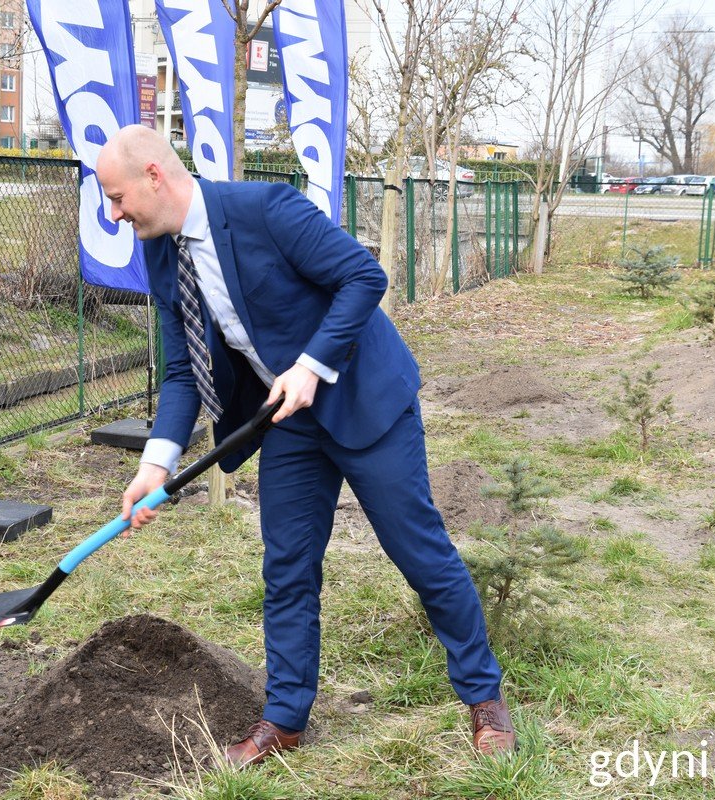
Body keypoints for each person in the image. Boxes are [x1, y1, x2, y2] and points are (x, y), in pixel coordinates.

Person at [96, 125, 515, 767]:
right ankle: (285, 718)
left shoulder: (265, 208)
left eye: (118, 196)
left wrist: (313, 363)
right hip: (285, 417)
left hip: (362, 398)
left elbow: (362, 277)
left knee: (419, 552)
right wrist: (157, 462)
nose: (115, 213)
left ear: (155, 174)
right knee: (287, 565)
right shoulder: (162, 254)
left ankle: (485, 700)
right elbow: (183, 369)